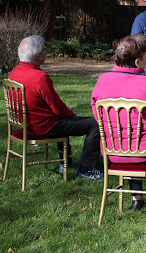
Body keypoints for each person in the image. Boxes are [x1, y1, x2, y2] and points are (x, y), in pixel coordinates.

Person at [91, 34, 146, 210]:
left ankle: (136, 197)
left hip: (112, 153)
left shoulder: (102, 81)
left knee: (132, 143)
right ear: (137, 62)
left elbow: (98, 114)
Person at [8, 35, 103, 180]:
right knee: (96, 124)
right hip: (44, 127)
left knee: (60, 118)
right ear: (39, 55)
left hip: (27, 124)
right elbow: (57, 108)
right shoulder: (40, 77)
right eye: (45, 49)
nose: (47, 52)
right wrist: (72, 115)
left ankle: (64, 162)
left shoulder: (14, 73)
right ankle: (86, 169)